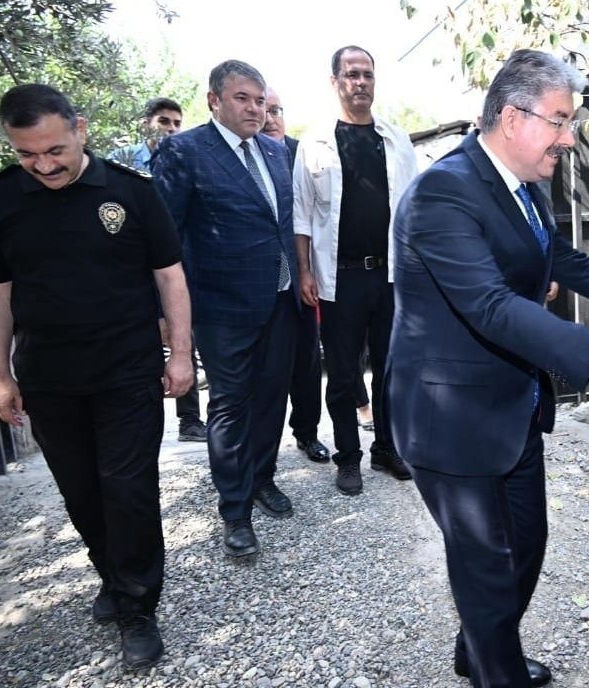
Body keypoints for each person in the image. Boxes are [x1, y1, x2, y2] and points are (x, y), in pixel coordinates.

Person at [387, 49, 589, 688]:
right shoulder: (442, 193)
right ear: (513, 117)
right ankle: (494, 670)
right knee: (483, 564)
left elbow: (562, 262)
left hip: (510, 409)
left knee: (525, 550)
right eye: (561, 122)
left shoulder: (524, 189)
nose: (569, 138)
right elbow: (490, 305)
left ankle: (478, 651)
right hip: (448, 420)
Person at [0, 83, 192, 668]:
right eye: (27, 155)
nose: (43, 165)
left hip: (125, 371)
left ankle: (138, 606)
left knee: (129, 490)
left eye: (54, 151)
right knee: (81, 493)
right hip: (48, 378)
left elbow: (171, 277)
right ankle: (112, 573)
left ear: (80, 129)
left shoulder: (130, 192)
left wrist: (181, 354)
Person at [152, 60, 299, 557]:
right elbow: (163, 240)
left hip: (279, 300)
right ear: (214, 99)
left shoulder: (276, 153)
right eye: (243, 98)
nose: (255, 108)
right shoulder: (183, 151)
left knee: (272, 397)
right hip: (220, 309)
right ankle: (234, 511)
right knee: (230, 408)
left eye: (260, 100)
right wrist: (171, 321)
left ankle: (262, 479)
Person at [294, 45, 418, 495]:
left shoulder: (396, 140)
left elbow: (412, 209)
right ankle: (349, 457)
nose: (360, 82)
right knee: (344, 374)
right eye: (351, 74)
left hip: (389, 277)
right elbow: (302, 214)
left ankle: (388, 447)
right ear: (335, 82)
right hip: (339, 278)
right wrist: (305, 270)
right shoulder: (315, 142)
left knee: (391, 368)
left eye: (366, 74)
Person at [108, 96, 207, 444]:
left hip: (172, 265)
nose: (172, 129)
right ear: (147, 122)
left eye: (177, 123)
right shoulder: (122, 164)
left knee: (184, 338)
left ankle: (190, 419)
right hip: (132, 271)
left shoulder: (183, 160)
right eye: (164, 121)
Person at [262, 86, 330, 463]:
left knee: (307, 364)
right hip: (261, 285)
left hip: (302, 280)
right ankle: (263, 454)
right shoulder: (245, 160)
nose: (271, 117)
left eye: (277, 109)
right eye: (264, 109)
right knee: (270, 371)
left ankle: (307, 433)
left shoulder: (301, 153)